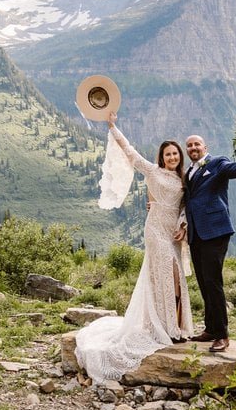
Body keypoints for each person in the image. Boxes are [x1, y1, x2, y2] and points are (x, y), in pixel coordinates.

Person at [74, 112, 193, 383]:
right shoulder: (152, 170)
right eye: (168, 154)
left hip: (173, 232)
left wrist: (184, 223)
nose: (172, 158)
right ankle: (163, 330)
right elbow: (130, 152)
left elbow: (186, 206)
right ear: (161, 157)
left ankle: (175, 326)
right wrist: (113, 127)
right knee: (164, 275)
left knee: (175, 281)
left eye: (175, 154)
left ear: (179, 157)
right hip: (155, 231)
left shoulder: (184, 179)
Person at [180, 134, 236, 353]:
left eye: (197, 144)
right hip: (196, 233)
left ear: (205, 146)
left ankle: (222, 335)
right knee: (204, 282)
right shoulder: (188, 171)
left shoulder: (217, 163)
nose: (193, 147)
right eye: (189, 145)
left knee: (213, 282)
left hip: (215, 231)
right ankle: (210, 328)